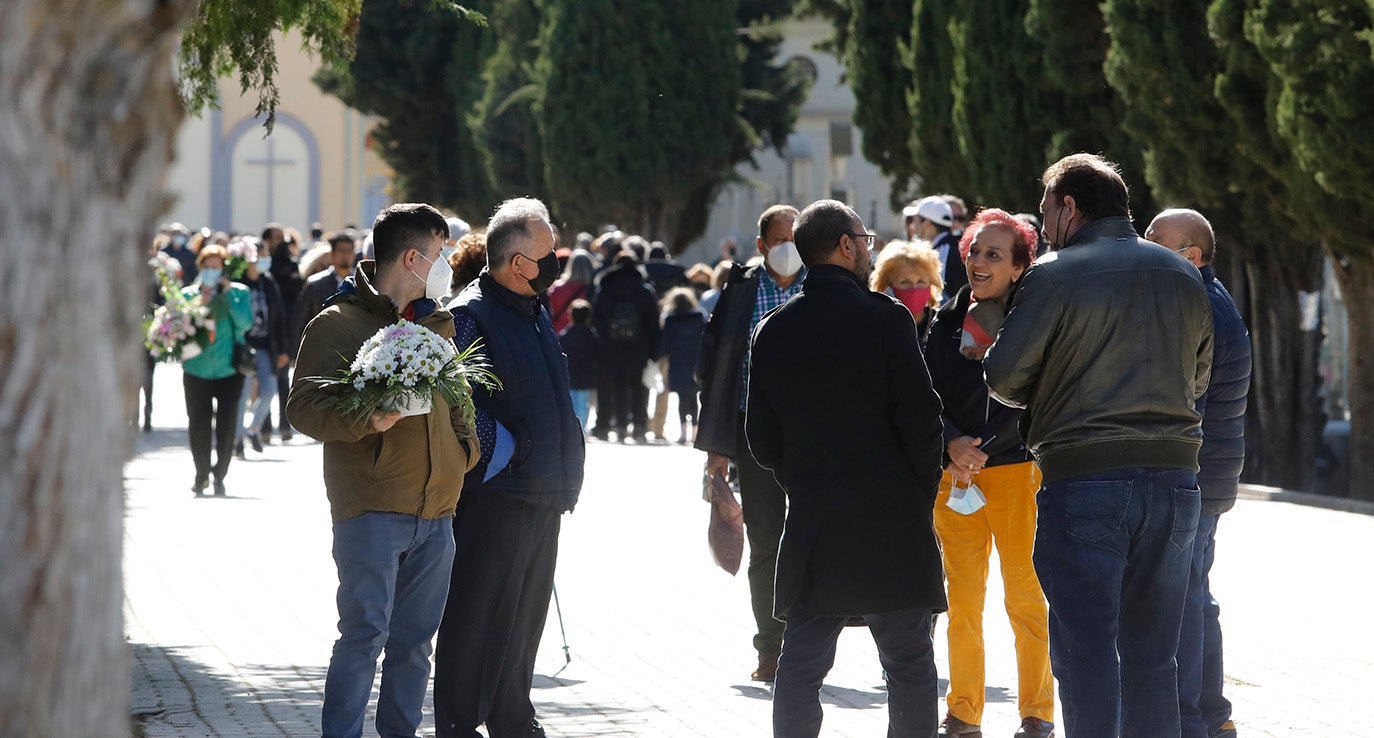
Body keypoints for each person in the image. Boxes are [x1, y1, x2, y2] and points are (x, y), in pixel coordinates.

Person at [984, 153, 1213, 738]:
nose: (1041, 226)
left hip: (1084, 477)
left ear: (1069, 207)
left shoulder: (1053, 274)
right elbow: (1200, 374)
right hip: (1175, 478)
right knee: (1154, 658)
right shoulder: (1181, 273)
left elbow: (1003, 378)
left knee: (1086, 654)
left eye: (1045, 211)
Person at [746, 199, 946, 738]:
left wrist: (803, 480)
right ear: (844, 245)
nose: (868, 247)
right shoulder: (886, 318)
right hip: (893, 518)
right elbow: (923, 419)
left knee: (802, 666)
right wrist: (916, 490)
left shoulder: (773, 330)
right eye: (865, 238)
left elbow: (760, 437)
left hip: (816, 518)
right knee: (908, 664)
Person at [288, 202, 477, 738]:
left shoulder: (439, 322)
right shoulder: (338, 322)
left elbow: (459, 400)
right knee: (363, 637)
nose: (445, 266)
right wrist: (367, 419)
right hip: (371, 510)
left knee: (415, 647)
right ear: (413, 257)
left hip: (437, 512)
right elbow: (302, 407)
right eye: (440, 255)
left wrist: (464, 455)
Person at [434, 197, 585, 738]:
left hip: (544, 490)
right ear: (518, 263)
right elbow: (464, 405)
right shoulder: (472, 314)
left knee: (524, 620)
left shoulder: (532, 307)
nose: (556, 262)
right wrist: (511, 456)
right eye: (548, 254)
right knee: (478, 615)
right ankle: (457, 722)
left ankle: (513, 719)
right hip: (500, 496)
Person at [922, 209, 1054, 738]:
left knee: (1026, 599)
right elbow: (921, 393)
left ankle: (1037, 714)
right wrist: (950, 443)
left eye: (994, 254)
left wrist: (979, 447)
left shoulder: (1033, 321)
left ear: (1020, 267)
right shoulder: (944, 319)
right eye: (975, 250)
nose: (979, 260)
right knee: (963, 604)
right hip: (954, 479)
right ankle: (963, 713)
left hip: (1018, 474)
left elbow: (1035, 398)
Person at [1144, 208, 1252, 738]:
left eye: (1154, 239)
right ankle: (1209, 712)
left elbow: (1185, 397)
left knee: (1183, 598)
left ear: (1190, 256)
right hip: (1207, 473)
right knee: (1195, 594)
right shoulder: (1206, 296)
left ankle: (1189, 716)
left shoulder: (1199, 306)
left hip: (1194, 474)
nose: (1142, 246)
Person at [695, 204, 805, 682]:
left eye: (796, 239)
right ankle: (771, 647)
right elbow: (714, 369)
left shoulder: (823, 285)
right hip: (753, 435)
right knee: (766, 542)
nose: (789, 249)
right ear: (762, 246)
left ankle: (806, 642)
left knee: (811, 540)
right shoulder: (739, 291)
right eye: (779, 240)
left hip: (813, 437)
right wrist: (717, 448)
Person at [181, 245, 252, 496]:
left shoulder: (239, 293)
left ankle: (220, 474)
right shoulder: (188, 295)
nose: (211, 271)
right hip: (196, 368)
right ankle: (201, 474)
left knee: (226, 424)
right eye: (207, 266)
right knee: (198, 424)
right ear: (200, 268)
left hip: (228, 370)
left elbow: (245, 325)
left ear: (224, 270)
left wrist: (226, 296)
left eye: (216, 267)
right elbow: (180, 329)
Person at [590, 250, 660, 443]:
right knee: (639, 387)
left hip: (611, 348)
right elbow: (653, 322)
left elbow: (597, 319)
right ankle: (639, 426)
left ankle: (620, 425)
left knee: (617, 386)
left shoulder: (605, 289)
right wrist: (653, 350)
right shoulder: (645, 290)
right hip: (640, 348)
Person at [233, 237, 290, 456]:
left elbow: (279, 318)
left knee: (268, 391)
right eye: (261, 255)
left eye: (266, 255)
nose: (265, 259)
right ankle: (237, 439)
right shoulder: (238, 283)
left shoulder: (269, 282)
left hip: (267, 347)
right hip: (243, 347)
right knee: (241, 396)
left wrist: (284, 349)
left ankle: (253, 429)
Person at [656, 287, 707, 445]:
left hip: (677, 363)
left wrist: (657, 357)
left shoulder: (671, 320)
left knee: (681, 399)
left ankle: (683, 433)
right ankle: (695, 432)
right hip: (696, 363)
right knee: (694, 399)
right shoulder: (699, 318)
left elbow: (664, 343)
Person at [870, 240, 944, 343]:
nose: (914, 289)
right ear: (887, 286)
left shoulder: (942, 324)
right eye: (905, 282)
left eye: (921, 281)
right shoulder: (878, 324)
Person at [295, 232, 359, 346]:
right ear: (332, 254)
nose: (345, 255)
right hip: (321, 345)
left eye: (349, 251)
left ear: (354, 254)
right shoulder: (315, 284)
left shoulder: (362, 283)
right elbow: (301, 319)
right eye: (341, 251)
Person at [905, 196, 967, 301]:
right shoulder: (949, 247)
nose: (912, 226)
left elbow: (943, 297)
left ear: (927, 224)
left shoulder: (944, 252)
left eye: (915, 221)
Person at [558, 299, 599, 432]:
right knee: (584, 403)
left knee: (572, 402)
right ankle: (582, 427)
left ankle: (573, 427)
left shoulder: (565, 335)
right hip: (587, 375)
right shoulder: (591, 335)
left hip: (570, 375)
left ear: (570, 316)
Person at [547, 248, 596, 334]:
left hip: (559, 334)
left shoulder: (556, 288)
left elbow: (550, 312)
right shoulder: (593, 289)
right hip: (585, 335)